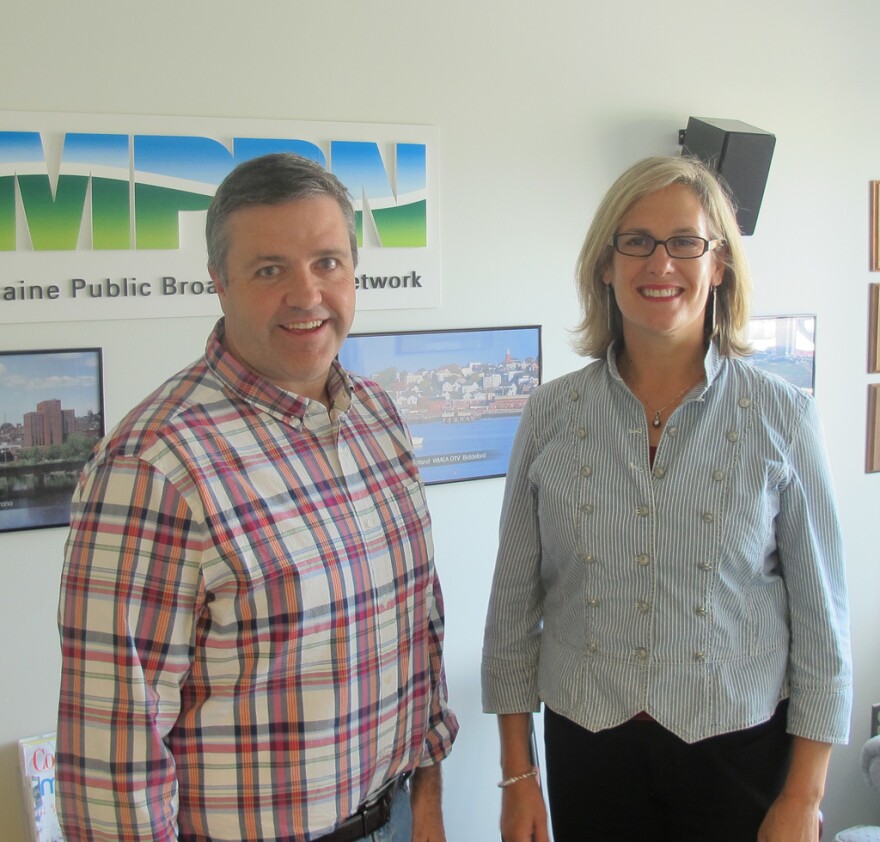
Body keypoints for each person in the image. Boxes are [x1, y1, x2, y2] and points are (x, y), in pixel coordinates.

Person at [56, 152, 459, 842]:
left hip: (395, 816)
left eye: (328, 262)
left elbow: (415, 634)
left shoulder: (376, 418)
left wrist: (426, 801)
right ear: (219, 282)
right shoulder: (153, 465)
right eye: (270, 270)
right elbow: (112, 759)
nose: (307, 295)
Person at [481, 155, 851, 842]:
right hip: (587, 749)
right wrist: (516, 776)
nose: (661, 263)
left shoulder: (782, 417)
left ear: (720, 266)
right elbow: (510, 610)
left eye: (686, 241)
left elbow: (823, 627)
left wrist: (803, 796)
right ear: (605, 264)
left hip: (740, 750)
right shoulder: (550, 415)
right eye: (636, 241)